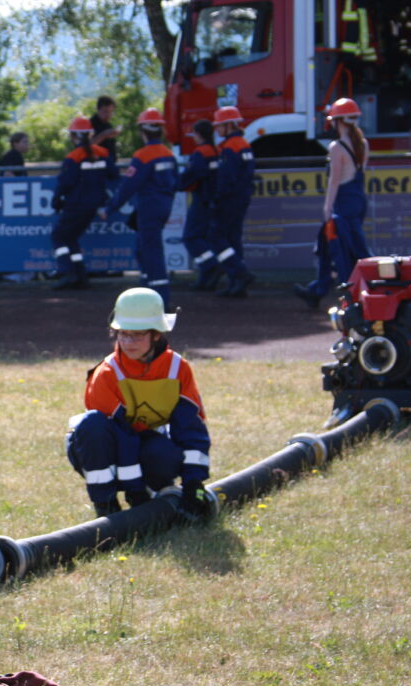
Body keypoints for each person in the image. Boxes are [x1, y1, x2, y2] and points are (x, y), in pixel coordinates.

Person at [66, 288, 211, 521]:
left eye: (137, 335)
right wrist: (135, 491)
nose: (127, 342)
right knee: (93, 425)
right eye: (123, 334)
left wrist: (194, 484)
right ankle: (105, 505)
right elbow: (121, 437)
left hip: (146, 443)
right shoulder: (107, 373)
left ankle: (154, 493)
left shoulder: (177, 369)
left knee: (164, 454)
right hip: (103, 448)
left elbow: (190, 427)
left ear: (157, 335)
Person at [294, 98, 371, 308]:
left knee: (344, 251)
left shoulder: (337, 147)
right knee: (335, 248)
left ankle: (353, 297)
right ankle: (317, 290)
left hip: (343, 205)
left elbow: (334, 181)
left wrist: (327, 208)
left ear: (338, 122)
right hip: (358, 201)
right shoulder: (363, 144)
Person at [100, 108, 177, 307]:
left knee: (151, 252)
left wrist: (109, 209)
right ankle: (147, 292)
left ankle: (160, 299)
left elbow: (128, 187)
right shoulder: (168, 154)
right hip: (163, 207)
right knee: (142, 250)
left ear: (143, 131)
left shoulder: (143, 156)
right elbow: (176, 181)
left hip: (149, 209)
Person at [50, 117, 118, 290]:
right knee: (71, 238)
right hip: (94, 205)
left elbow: (65, 182)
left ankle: (66, 272)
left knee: (59, 236)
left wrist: (56, 201)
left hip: (76, 205)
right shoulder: (102, 153)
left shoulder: (74, 157)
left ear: (74, 136)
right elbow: (114, 174)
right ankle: (79, 275)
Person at [207, 106, 255, 298]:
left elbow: (227, 178)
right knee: (233, 238)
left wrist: (218, 200)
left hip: (230, 199)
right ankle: (237, 283)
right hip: (241, 197)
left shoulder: (230, 147)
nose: (217, 130)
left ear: (228, 125)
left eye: (219, 126)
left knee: (216, 237)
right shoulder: (243, 144)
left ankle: (239, 272)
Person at [178, 120, 220, 290]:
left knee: (191, 237)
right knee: (204, 238)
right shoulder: (217, 151)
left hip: (202, 199)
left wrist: (177, 184)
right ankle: (206, 277)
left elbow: (193, 174)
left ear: (199, 134)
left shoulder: (201, 153)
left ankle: (210, 265)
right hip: (215, 200)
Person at [89, 95, 121, 165]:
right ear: (98, 109)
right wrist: (103, 135)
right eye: (105, 111)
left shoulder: (108, 125)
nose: (108, 115)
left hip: (110, 164)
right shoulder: (90, 125)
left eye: (111, 112)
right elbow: (86, 146)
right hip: (97, 165)